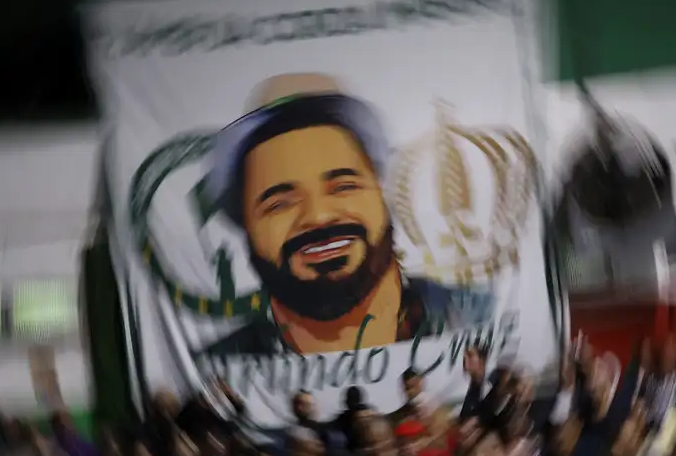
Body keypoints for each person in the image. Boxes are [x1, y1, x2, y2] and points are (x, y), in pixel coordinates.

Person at [199, 72, 479, 356]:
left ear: (380, 194)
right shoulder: (216, 371)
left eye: (343, 187)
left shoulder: (478, 320)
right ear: (246, 226)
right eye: (280, 204)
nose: (319, 216)